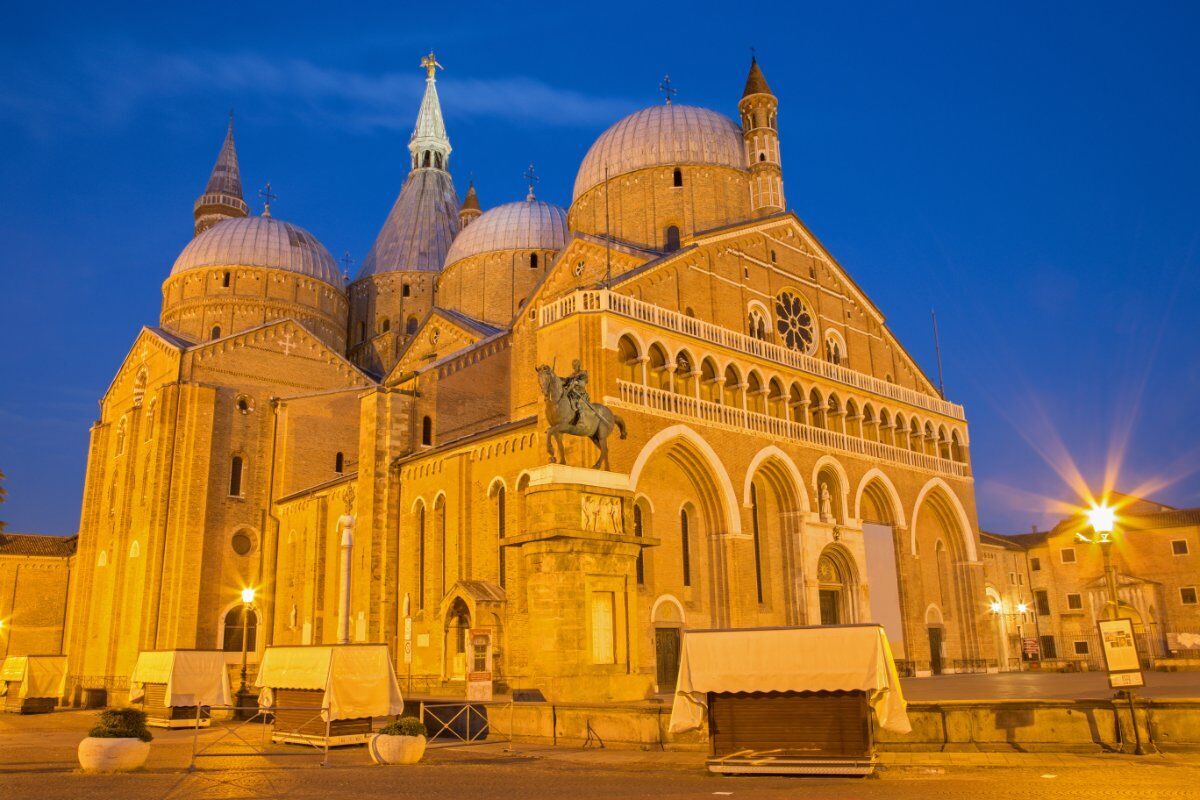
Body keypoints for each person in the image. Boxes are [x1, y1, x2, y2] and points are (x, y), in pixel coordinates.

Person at [563, 359, 593, 425]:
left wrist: (576, 383)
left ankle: (582, 420)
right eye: (573, 366)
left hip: (580, 393)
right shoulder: (572, 374)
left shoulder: (583, 373)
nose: (574, 367)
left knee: (579, 404)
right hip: (571, 393)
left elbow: (584, 383)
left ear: (579, 365)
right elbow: (566, 381)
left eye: (575, 365)